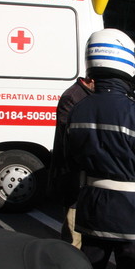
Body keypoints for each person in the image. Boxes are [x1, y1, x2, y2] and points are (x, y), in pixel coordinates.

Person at [65, 28, 135, 269]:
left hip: (91, 207)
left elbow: (70, 159)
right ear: (126, 62)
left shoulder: (78, 109)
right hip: (130, 213)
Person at [49, 76, 95, 249]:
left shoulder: (87, 95)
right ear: (89, 79)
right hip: (73, 177)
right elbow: (69, 136)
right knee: (73, 238)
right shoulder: (72, 96)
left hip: (85, 180)